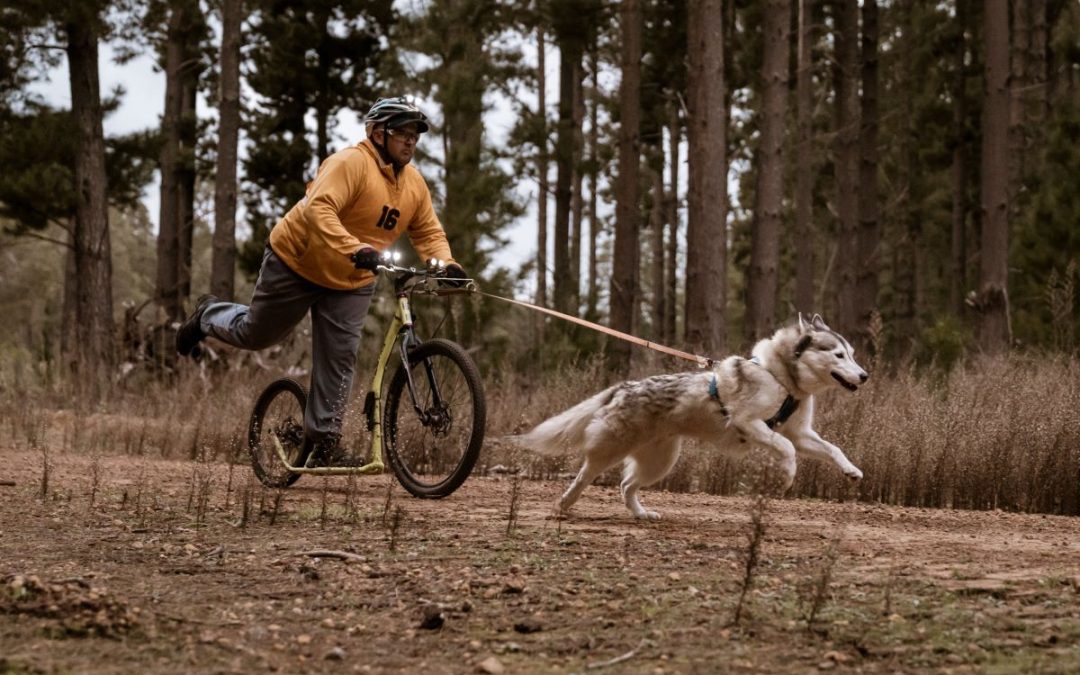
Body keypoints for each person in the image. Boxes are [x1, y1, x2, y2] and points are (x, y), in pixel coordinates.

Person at [175, 97, 467, 466]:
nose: (410, 142)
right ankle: (207, 314)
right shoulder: (350, 163)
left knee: (340, 358)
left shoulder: (414, 185)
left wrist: (446, 266)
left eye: (415, 136)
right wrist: (355, 247)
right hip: (296, 262)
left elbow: (427, 232)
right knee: (256, 334)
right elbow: (319, 209)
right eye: (401, 133)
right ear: (377, 134)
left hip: (351, 280)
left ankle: (323, 442)